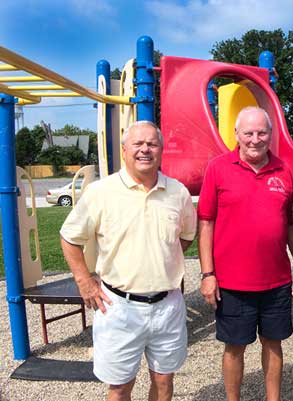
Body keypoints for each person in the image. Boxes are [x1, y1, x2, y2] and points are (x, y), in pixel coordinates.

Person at [60, 121, 197, 401]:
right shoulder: (101, 192)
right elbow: (69, 237)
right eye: (138, 144)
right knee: (120, 386)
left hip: (167, 305)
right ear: (124, 150)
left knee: (163, 380)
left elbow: (185, 236)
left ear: (160, 150)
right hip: (119, 306)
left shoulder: (178, 193)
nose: (145, 149)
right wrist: (85, 281)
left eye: (152, 144)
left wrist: (159, 258)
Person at [198, 106, 293, 401]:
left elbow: (292, 225)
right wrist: (208, 274)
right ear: (237, 134)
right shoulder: (218, 168)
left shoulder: (284, 170)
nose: (255, 139)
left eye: (262, 133)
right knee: (235, 347)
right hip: (232, 283)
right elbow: (205, 222)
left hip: (276, 281)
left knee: (274, 344)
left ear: (271, 135)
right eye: (249, 133)